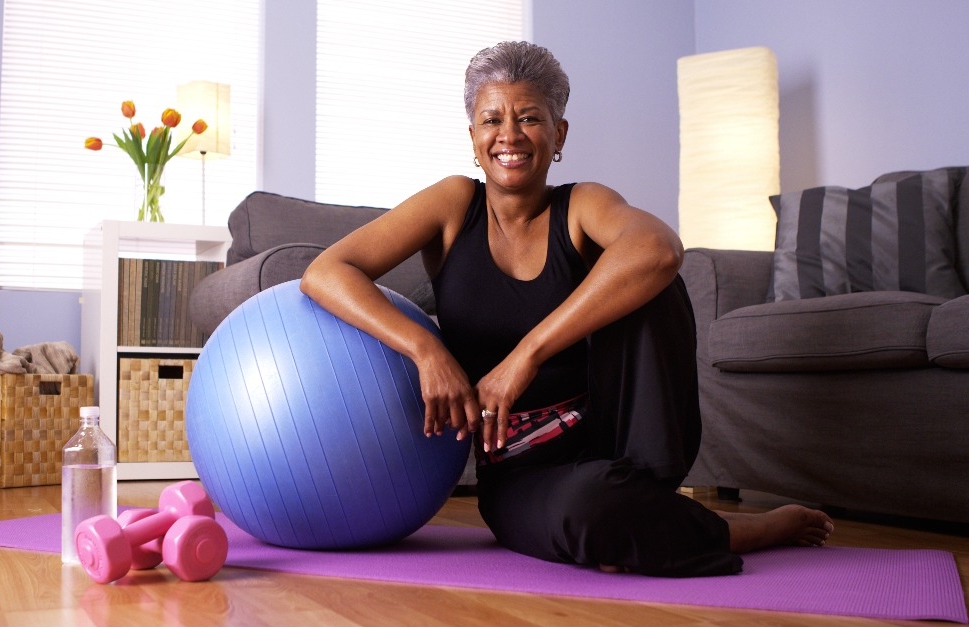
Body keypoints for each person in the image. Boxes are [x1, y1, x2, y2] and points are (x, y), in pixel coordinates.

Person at [299, 40, 833, 577]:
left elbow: (661, 249)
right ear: (473, 137)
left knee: (649, 275)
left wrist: (525, 355)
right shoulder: (453, 204)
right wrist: (426, 349)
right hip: (521, 470)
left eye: (529, 117)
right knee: (590, 516)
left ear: (559, 134)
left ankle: (665, 508)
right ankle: (732, 528)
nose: (509, 135)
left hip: (624, 438)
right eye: (492, 120)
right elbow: (327, 271)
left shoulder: (581, 205)